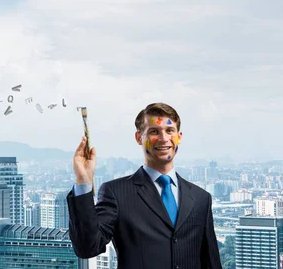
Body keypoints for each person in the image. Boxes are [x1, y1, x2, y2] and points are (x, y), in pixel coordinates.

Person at [66, 103, 222, 269]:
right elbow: (87, 247)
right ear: (139, 137)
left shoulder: (200, 198)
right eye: (154, 131)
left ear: (179, 136)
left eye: (169, 131)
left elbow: (210, 261)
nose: (163, 138)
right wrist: (83, 181)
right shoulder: (117, 192)